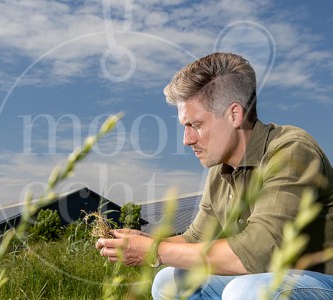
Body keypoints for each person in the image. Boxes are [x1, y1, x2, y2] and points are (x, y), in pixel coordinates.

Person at [95, 52, 333, 299]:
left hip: (323, 281)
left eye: (195, 125)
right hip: (266, 279)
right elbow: (196, 238)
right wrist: (144, 242)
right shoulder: (219, 171)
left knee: (247, 290)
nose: (186, 140)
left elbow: (260, 253)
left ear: (234, 115)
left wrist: (154, 251)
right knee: (171, 280)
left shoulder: (291, 151)